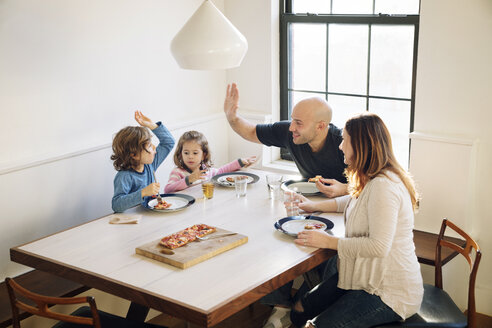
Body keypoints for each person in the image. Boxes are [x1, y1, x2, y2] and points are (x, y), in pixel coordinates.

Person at [289, 112, 423, 328]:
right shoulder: (371, 177)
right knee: (299, 310)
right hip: (363, 278)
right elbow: (352, 200)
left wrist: (327, 241)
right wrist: (313, 205)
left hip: (389, 292)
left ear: (361, 146)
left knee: (314, 325)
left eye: (344, 140)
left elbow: (378, 246)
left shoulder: (383, 186)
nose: (340, 146)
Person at [224, 83, 347, 198]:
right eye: (293, 119)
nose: (291, 127)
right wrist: (232, 118)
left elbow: (366, 186)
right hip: (309, 201)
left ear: (320, 126)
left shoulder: (345, 143)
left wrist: (344, 189)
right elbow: (251, 132)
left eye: (299, 123)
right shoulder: (290, 132)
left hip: (344, 206)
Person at [111, 111, 175, 213]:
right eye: (149, 146)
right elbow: (117, 205)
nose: (154, 148)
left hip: (148, 216)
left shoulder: (150, 165)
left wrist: (152, 126)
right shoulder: (124, 176)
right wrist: (143, 192)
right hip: (131, 222)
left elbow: (168, 142)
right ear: (134, 155)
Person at [164, 130, 257, 193]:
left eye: (195, 153)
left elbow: (221, 171)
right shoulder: (177, 172)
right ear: (180, 154)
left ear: (203, 155)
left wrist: (240, 162)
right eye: (186, 153)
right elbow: (168, 190)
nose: (190, 157)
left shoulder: (205, 170)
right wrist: (190, 179)